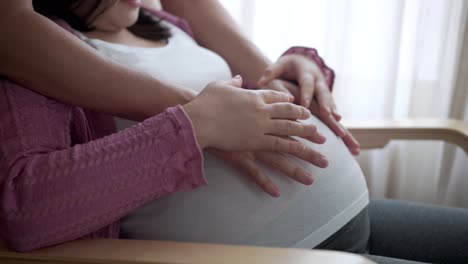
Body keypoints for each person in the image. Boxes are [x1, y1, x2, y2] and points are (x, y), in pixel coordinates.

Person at [0, 1, 467, 264]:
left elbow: (251, 97)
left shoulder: (166, 23)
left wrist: (302, 68)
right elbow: (27, 208)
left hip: (356, 218)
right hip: (273, 255)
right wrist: (193, 127)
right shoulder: (40, 65)